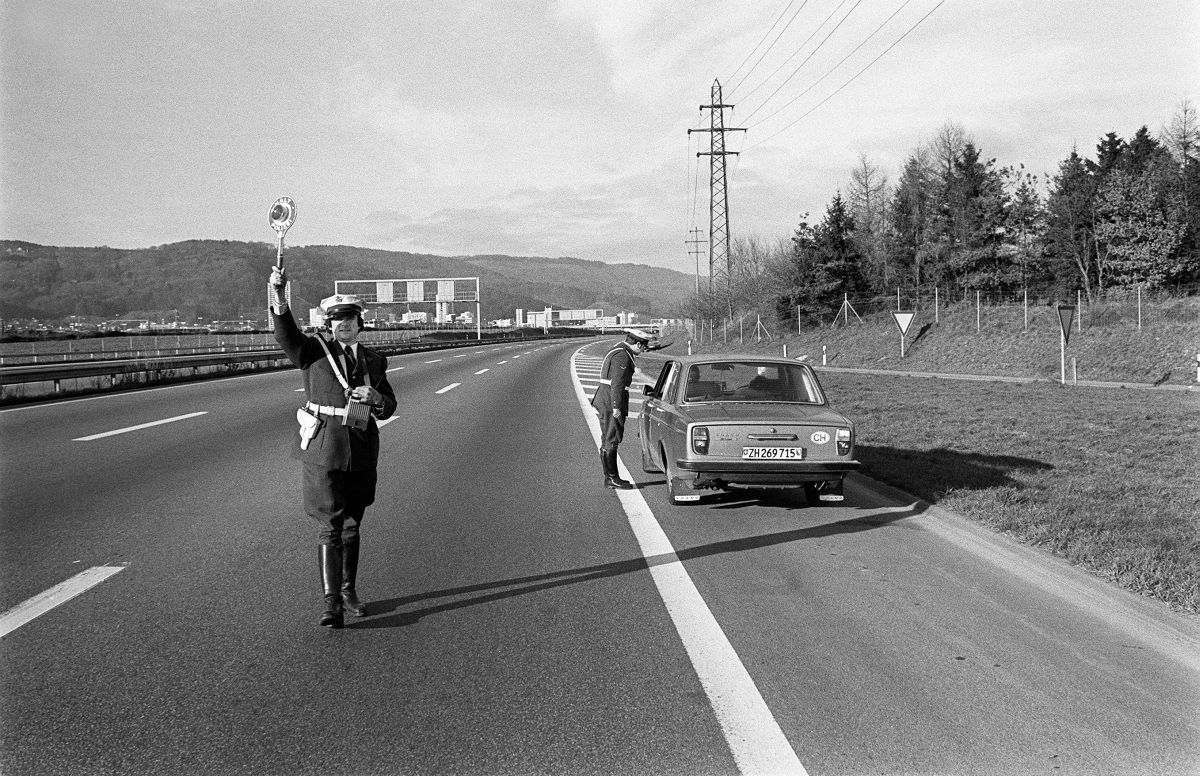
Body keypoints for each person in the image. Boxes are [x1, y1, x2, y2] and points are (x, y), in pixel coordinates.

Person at [269, 267, 397, 629]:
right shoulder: (312, 352)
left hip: (360, 448)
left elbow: (389, 404)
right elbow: (285, 332)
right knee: (330, 525)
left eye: (350, 319)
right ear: (327, 324)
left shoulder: (375, 361)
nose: (344, 324)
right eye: (337, 319)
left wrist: (376, 398)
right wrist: (279, 296)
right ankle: (331, 603)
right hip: (323, 448)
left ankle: (349, 591)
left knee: (353, 523)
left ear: (360, 323)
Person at [590, 328, 653, 489]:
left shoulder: (619, 348)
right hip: (611, 400)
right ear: (638, 343)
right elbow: (617, 383)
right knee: (612, 439)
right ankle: (612, 477)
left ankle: (609, 477)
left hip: (605, 398)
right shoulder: (623, 356)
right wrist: (617, 406)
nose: (644, 349)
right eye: (644, 346)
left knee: (607, 439)